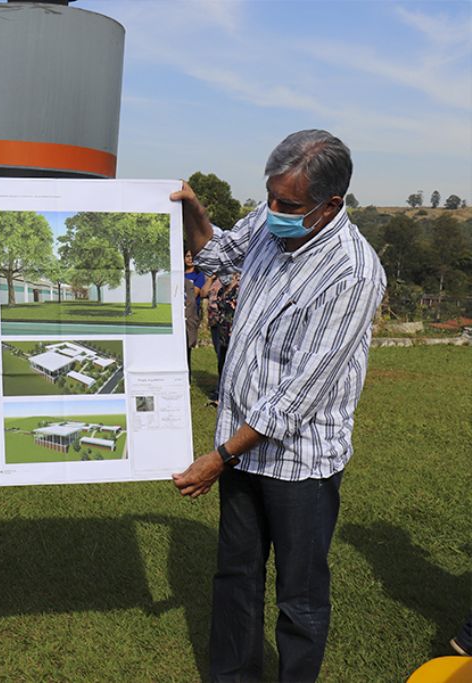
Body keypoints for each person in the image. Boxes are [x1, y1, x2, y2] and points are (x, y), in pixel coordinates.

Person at [170, 130, 385, 682]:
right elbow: (214, 252)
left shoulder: (352, 274)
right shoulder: (270, 221)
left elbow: (297, 399)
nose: (272, 213)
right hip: (243, 451)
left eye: (287, 205)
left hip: (300, 464)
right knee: (236, 577)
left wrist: (218, 457)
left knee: (301, 596)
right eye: (269, 197)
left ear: (329, 205)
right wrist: (195, 208)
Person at [206, 271, 240, 400]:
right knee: (222, 362)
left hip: (235, 333)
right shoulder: (221, 291)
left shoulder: (239, 290)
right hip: (223, 333)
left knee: (233, 365)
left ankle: (233, 394)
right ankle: (221, 392)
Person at [184, 249, 212, 379]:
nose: (190, 259)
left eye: (192, 256)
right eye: (187, 256)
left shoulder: (198, 276)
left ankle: (187, 377)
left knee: (187, 347)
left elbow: (194, 294)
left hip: (190, 314)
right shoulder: (179, 274)